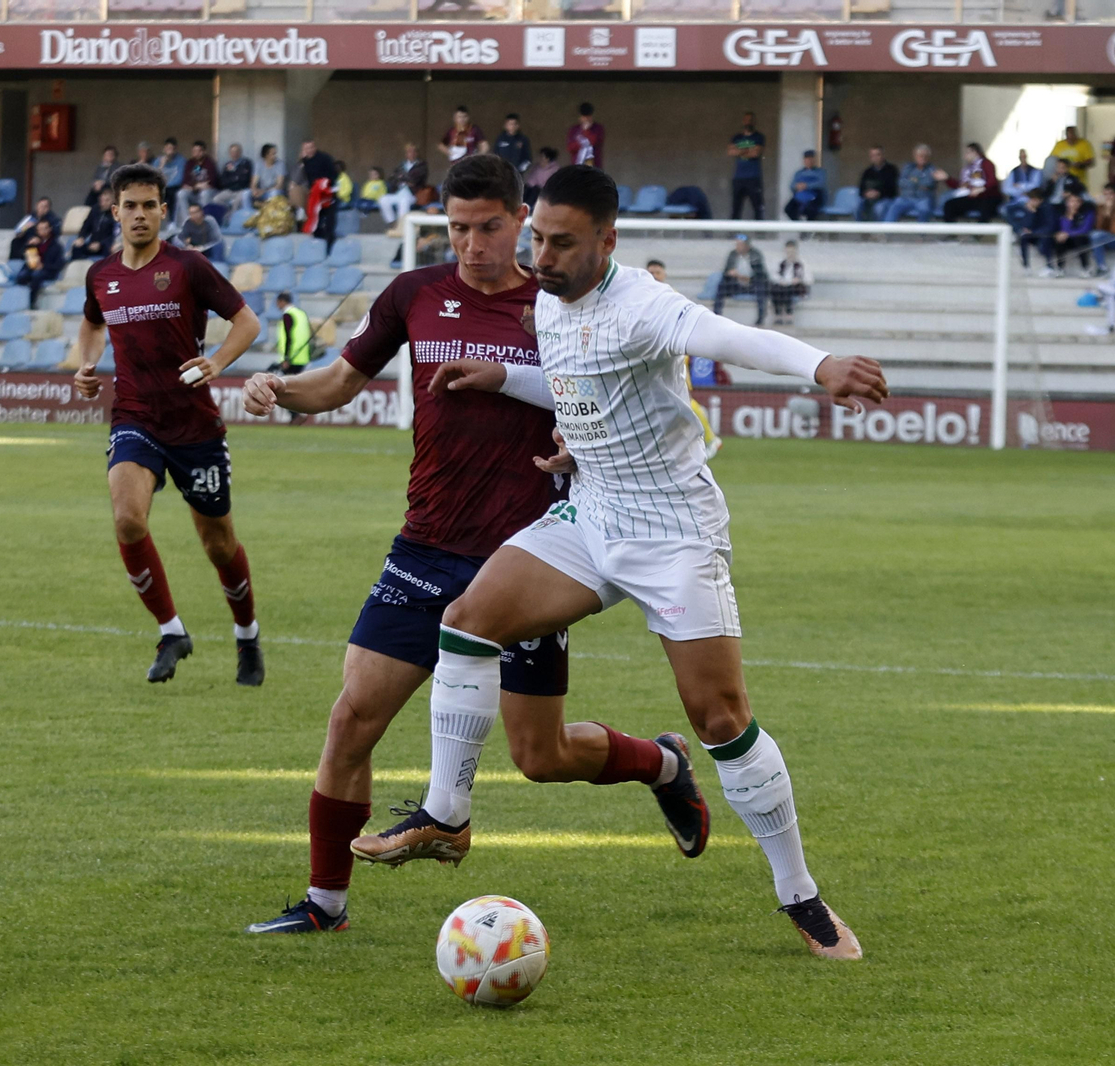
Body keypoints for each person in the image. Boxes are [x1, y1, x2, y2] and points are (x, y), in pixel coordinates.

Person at [353, 164, 886, 960]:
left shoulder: (644, 304)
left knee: (721, 718)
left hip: (672, 534)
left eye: (562, 243)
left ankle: (799, 894)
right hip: (590, 512)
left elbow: (730, 338)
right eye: (537, 238)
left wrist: (822, 367)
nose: (542, 256)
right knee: (467, 621)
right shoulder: (545, 298)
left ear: (608, 241)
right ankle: (446, 815)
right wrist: (504, 377)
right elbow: (576, 385)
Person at [236, 155, 577, 935]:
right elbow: (338, 382)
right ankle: (325, 905)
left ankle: (660, 763)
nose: (472, 244)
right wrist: (276, 389)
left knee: (543, 756)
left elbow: (599, 411)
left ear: (521, 220)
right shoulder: (415, 294)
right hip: (426, 546)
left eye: (488, 227)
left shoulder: (556, 308)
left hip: (528, 561)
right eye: (458, 228)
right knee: (352, 717)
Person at [72, 162, 264, 685]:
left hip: (195, 427)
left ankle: (247, 636)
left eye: (148, 205)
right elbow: (91, 323)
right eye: (129, 205)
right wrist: (85, 366)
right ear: (114, 211)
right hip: (135, 416)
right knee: (127, 518)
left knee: (218, 544)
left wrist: (218, 362)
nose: (139, 214)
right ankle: (171, 631)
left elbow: (247, 322)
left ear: (163, 211)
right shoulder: (102, 275)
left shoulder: (187, 268)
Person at [647, 258, 723, 460]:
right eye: (651, 272)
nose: (654, 276)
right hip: (653, 356)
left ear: (664, 275)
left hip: (674, 355)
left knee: (685, 399)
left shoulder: (673, 297)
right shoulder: (643, 297)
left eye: (658, 272)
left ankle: (710, 438)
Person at [712, 233, 766, 326]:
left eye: (740, 244)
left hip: (751, 284)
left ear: (746, 245)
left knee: (761, 289)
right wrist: (731, 273)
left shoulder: (755, 255)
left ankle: (760, 319)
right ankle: (716, 315)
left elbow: (760, 274)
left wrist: (746, 278)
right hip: (736, 284)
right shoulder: (732, 254)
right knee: (722, 286)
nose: (738, 247)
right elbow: (726, 271)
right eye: (737, 244)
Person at [940, 143, 1001, 223]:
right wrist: (947, 178)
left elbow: (992, 181)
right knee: (949, 205)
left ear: (975, 152)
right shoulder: (967, 169)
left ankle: (980, 233)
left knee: (985, 208)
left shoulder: (986, 164)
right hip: (971, 197)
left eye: (967, 152)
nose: (965, 155)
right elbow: (961, 186)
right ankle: (951, 231)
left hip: (988, 196)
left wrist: (981, 189)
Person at [297, 140, 339, 249]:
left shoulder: (325, 158)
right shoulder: (305, 161)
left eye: (311, 148)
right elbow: (301, 177)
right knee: (316, 221)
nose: (309, 150)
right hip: (315, 195)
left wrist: (324, 185)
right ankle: (318, 246)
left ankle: (330, 247)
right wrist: (301, 160)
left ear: (314, 147)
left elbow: (334, 175)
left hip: (327, 193)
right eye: (306, 149)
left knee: (329, 222)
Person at [14, 218, 65, 308]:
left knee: (36, 275)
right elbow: (21, 255)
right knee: (21, 276)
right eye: (39, 229)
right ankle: (19, 301)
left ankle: (31, 302)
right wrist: (29, 245)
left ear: (49, 229)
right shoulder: (35, 242)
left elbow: (59, 264)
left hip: (47, 270)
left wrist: (44, 266)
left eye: (44, 228)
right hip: (31, 267)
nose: (42, 231)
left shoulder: (56, 245)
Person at [380, 143, 428, 233]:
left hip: (413, 195)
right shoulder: (401, 165)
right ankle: (393, 223)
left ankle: (401, 227)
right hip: (399, 192)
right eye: (409, 152)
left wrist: (401, 178)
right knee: (383, 199)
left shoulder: (422, 165)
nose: (411, 154)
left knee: (404, 202)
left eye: (414, 152)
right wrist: (403, 179)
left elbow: (416, 179)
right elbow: (392, 178)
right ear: (406, 154)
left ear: (417, 153)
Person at [728, 110, 766, 220]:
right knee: (736, 208)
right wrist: (747, 150)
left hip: (753, 177)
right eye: (747, 120)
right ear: (743, 121)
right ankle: (733, 234)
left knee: (758, 208)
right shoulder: (737, 137)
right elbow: (730, 152)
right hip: (738, 178)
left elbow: (756, 153)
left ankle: (759, 235)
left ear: (754, 122)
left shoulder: (759, 137)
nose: (748, 122)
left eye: (751, 120)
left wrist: (739, 150)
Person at [1047, 190, 1094, 277]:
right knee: (1059, 240)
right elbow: (1061, 229)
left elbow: (1085, 229)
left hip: (1082, 239)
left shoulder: (1087, 213)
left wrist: (1067, 234)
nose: (1075, 204)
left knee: (1079, 239)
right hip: (1067, 240)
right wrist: (1069, 217)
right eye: (1072, 201)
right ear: (1066, 203)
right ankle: (1060, 268)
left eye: (1077, 201)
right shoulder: (1061, 215)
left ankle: (1085, 268)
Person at [888, 144, 939, 222]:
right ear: (915, 156)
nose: (923, 158)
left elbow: (929, 183)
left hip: (923, 199)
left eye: (925, 156)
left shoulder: (931, 169)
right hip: (906, 198)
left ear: (928, 157)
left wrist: (912, 181)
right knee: (894, 206)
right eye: (920, 156)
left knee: (924, 210)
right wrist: (918, 183)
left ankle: (922, 233)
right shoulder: (908, 168)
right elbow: (900, 183)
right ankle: (886, 232)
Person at [174, 140, 220, 221]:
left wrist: (194, 186)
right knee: (181, 193)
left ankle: (203, 221)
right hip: (194, 191)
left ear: (204, 151)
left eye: (199, 151)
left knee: (205, 193)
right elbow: (185, 181)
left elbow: (212, 182)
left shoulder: (210, 163)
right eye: (194, 151)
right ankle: (187, 221)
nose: (196, 153)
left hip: (209, 192)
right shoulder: (190, 163)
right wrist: (197, 186)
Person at [1013, 188, 1058, 269]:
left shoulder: (1048, 208)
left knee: (1045, 239)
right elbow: (1026, 225)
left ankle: (1049, 266)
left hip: (1046, 234)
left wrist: (1033, 231)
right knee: (1024, 237)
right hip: (1034, 233)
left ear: (1040, 200)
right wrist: (1031, 213)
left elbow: (1050, 226)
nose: (1031, 201)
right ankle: (1026, 265)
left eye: (1034, 199)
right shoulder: (1030, 208)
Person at [270, 291, 313, 374]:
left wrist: (286, 358)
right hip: (303, 356)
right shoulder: (301, 313)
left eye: (278, 302)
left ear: (282, 301)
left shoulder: (288, 315)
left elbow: (288, 337)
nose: (277, 305)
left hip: (292, 357)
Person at [770, 240, 810, 326]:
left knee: (787, 290)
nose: (790, 254)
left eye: (792, 252)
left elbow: (809, 279)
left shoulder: (801, 263)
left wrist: (799, 280)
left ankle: (789, 314)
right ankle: (778, 314)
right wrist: (781, 281)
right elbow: (774, 275)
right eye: (788, 252)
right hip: (783, 285)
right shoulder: (781, 263)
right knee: (776, 289)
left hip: (796, 287)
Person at [71, 187, 117, 260]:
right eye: (102, 201)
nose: (103, 203)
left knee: (111, 251)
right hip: (93, 244)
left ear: (113, 201)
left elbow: (115, 234)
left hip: (106, 245)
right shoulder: (95, 210)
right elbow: (86, 226)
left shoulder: (116, 213)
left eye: (107, 201)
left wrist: (101, 244)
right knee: (76, 248)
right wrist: (81, 237)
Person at [782, 149, 826, 222]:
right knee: (788, 209)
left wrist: (806, 186)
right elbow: (792, 185)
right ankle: (800, 226)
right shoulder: (799, 173)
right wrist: (798, 186)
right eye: (807, 159)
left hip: (815, 197)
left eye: (811, 158)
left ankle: (810, 229)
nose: (809, 161)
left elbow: (821, 184)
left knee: (810, 210)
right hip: (801, 196)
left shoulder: (820, 172)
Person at [856, 146, 897, 221]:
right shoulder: (867, 172)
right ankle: (861, 231)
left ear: (883, 155)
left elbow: (893, 189)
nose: (875, 157)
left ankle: (878, 232)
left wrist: (879, 193)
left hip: (885, 199)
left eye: (878, 154)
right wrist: (866, 193)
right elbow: (861, 188)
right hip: (868, 199)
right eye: (872, 155)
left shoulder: (891, 170)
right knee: (857, 206)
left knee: (879, 209)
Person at [215, 143, 253, 213]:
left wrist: (235, 177)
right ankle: (228, 210)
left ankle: (233, 218)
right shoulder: (227, 165)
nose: (234, 154)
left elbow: (245, 179)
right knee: (216, 199)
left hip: (242, 190)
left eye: (236, 151)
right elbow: (223, 181)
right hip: (230, 190)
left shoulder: (246, 163)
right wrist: (235, 179)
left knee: (236, 203)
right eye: (232, 152)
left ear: (240, 152)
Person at [567, 102, 604, 169]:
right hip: (577, 166)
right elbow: (570, 148)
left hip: (593, 166)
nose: (586, 119)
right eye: (584, 117)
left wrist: (586, 131)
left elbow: (594, 141)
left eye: (588, 117)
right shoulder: (574, 130)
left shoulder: (598, 128)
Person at [157, 138, 184, 213]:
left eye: (171, 148)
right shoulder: (158, 161)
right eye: (168, 148)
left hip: (173, 187)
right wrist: (161, 165)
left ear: (175, 149)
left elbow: (179, 179)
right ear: (164, 149)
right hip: (161, 187)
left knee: (173, 194)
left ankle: (172, 222)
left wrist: (167, 185)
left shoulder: (181, 160)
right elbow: (154, 177)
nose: (169, 151)